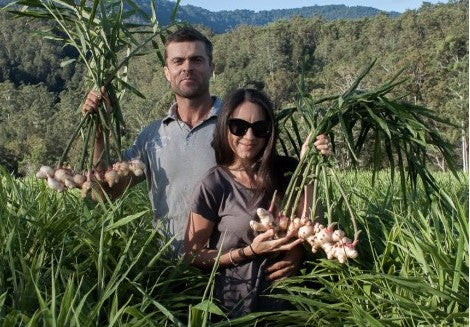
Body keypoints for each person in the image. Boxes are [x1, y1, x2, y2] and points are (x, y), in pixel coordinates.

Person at [82, 27, 330, 278]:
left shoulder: (238, 127)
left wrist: (297, 250)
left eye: (196, 60)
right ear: (167, 72)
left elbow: (286, 186)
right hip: (169, 274)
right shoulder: (152, 136)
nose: (187, 67)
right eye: (178, 61)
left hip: (234, 274)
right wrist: (100, 129)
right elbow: (107, 191)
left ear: (212, 68)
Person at [184, 88, 323, 318]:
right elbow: (193, 254)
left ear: (269, 132)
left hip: (287, 306)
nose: (249, 137)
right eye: (239, 126)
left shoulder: (288, 172)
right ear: (225, 126)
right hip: (233, 307)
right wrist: (248, 251)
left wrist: (309, 164)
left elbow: (311, 225)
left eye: (259, 129)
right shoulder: (214, 183)